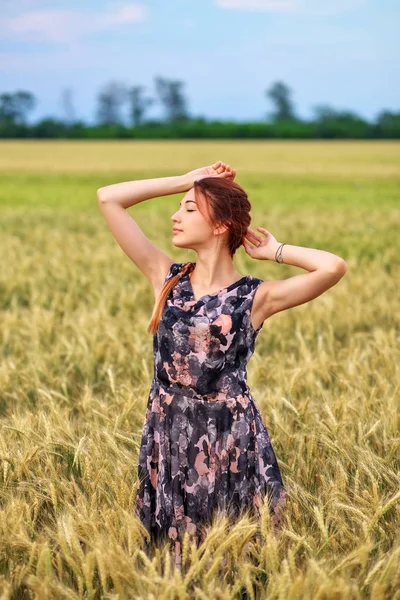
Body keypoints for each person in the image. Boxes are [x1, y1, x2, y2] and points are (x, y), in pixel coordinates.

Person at [97, 160, 347, 569]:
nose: (175, 216)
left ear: (220, 226)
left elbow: (333, 266)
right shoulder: (166, 277)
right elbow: (109, 198)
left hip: (229, 438)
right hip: (168, 431)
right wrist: (187, 181)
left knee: (231, 549)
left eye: (190, 208)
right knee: (171, 556)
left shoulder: (256, 297)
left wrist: (274, 251)